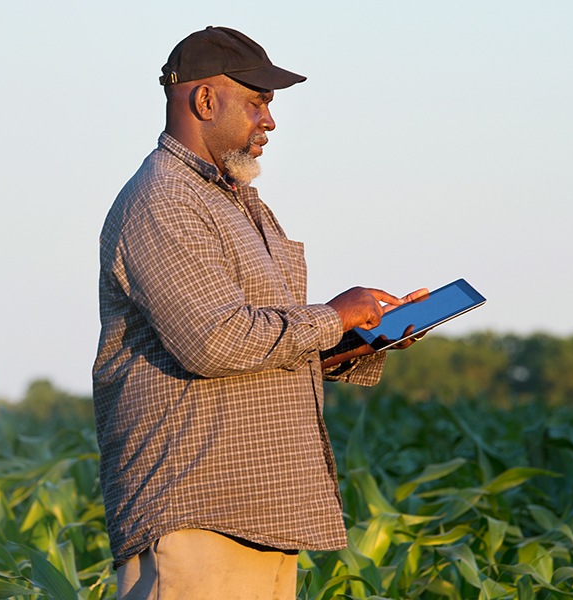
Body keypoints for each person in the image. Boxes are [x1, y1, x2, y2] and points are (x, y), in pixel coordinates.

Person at [92, 26, 427, 599]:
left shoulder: (240, 202)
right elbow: (215, 341)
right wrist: (334, 314)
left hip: (260, 511)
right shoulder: (164, 198)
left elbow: (268, 345)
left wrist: (360, 338)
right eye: (257, 103)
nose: (269, 122)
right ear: (204, 101)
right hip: (199, 512)